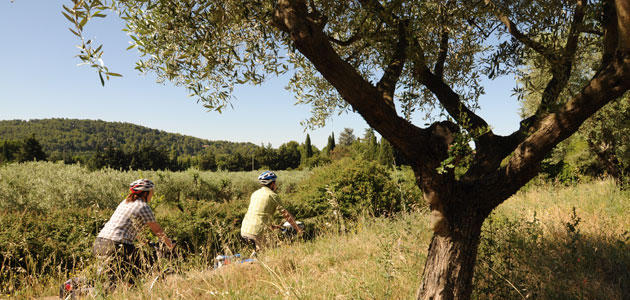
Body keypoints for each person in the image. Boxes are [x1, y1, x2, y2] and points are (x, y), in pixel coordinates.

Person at [93, 179, 174, 287]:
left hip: (100, 243)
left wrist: (145, 242)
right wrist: (170, 245)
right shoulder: (143, 206)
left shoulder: (125, 203)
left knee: (115, 278)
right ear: (145, 193)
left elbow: (130, 227)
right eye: (151, 193)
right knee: (145, 265)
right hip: (116, 246)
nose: (152, 195)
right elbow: (157, 230)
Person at [241, 171, 303, 253]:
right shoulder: (272, 195)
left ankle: (254, 257)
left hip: (245, 229)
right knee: (273, 252)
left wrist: (271, 226)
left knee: (259, 251)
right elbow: (286, 215)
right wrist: (298, 229)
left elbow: (258, 212)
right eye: (275, 182)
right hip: (257, 232)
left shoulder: (255, 193)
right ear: (272, 183)